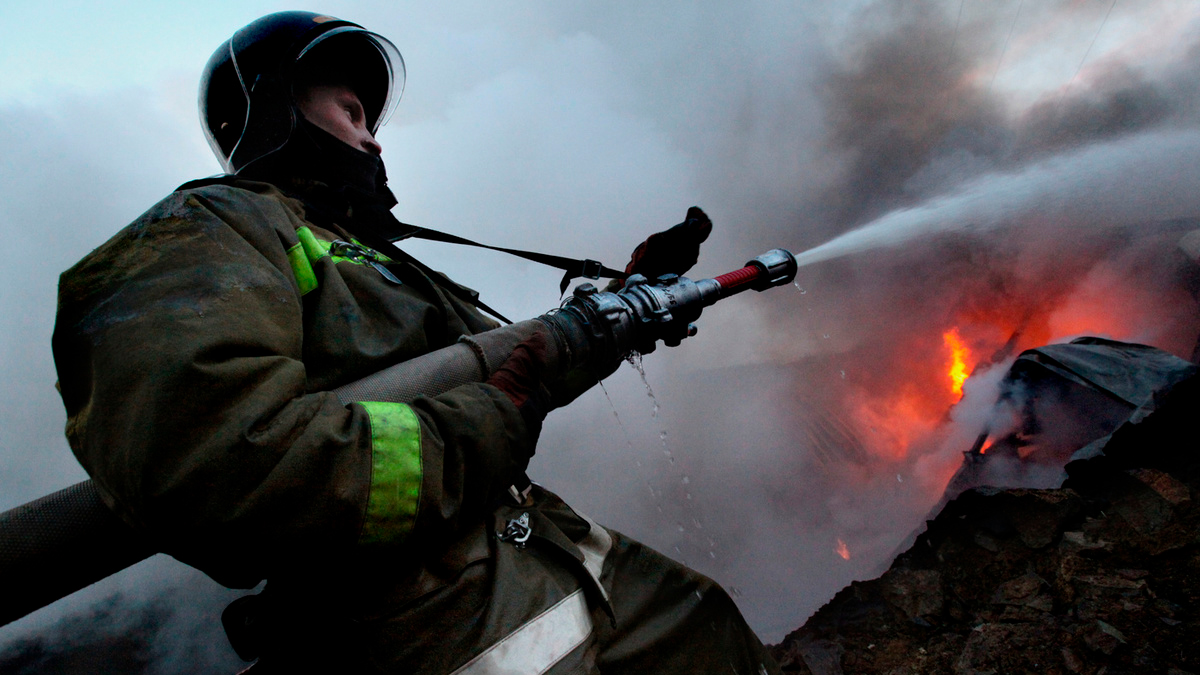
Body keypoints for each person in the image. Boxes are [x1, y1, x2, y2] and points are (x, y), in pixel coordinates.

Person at [52, 11, 781, 674]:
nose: (372, 137)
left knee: (706, 623)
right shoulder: (205, 229)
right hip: (437, 627)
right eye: (352, 109)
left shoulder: (366, 256)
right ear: (274, 107)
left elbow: (509, 367)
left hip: (545, 556)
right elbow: (221, 461)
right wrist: (492, 417)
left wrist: (627, 306)